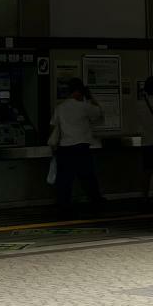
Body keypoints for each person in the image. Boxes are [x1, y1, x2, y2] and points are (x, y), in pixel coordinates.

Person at [47, 82, 106, 211]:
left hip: (64, 148)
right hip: (81, 148)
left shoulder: (60, 107)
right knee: (88, 177)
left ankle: (63, 206)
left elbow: (53, 125)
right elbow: (99, 113)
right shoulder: (84, 107)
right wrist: (90, 97)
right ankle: (96, 202)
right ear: (79, 92)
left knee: (64, 180)